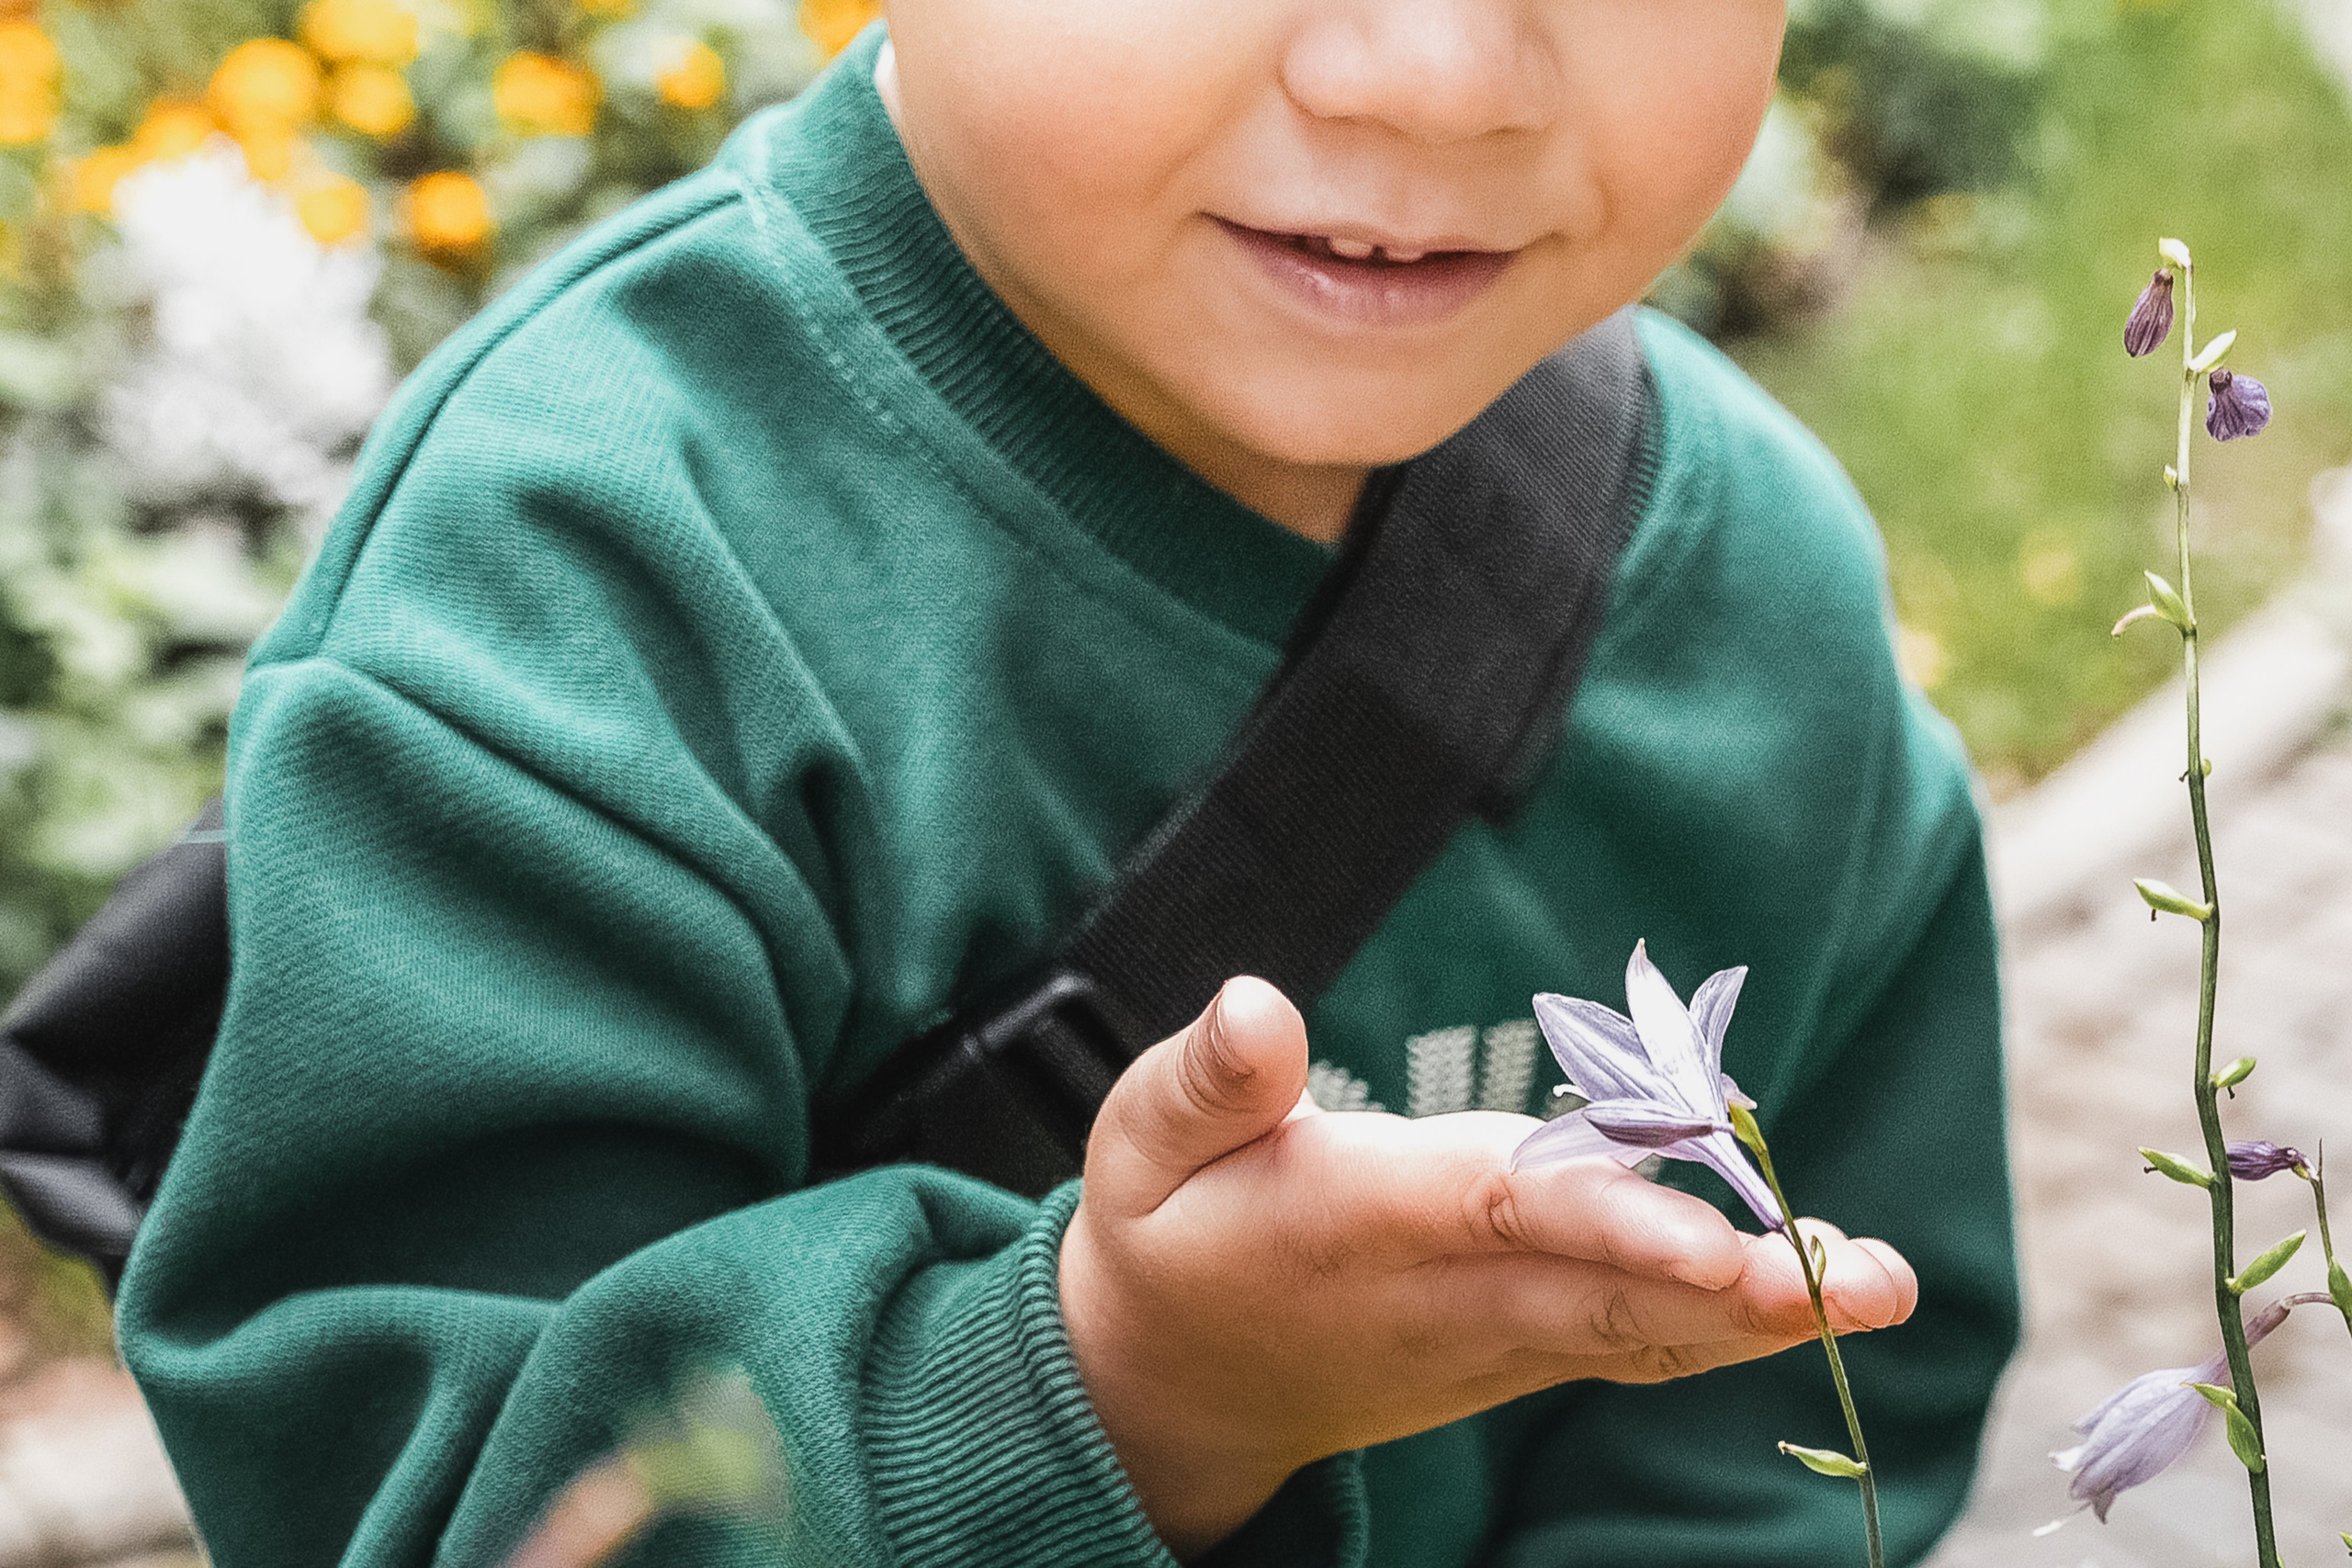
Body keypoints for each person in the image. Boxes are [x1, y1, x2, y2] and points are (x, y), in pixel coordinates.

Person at [115, 4, 2019, 1564]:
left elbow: (1813, 1406)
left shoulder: (1754, 612)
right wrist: (1113, 1394)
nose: (1431, 73)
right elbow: (424, 1499)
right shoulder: (581, 585)